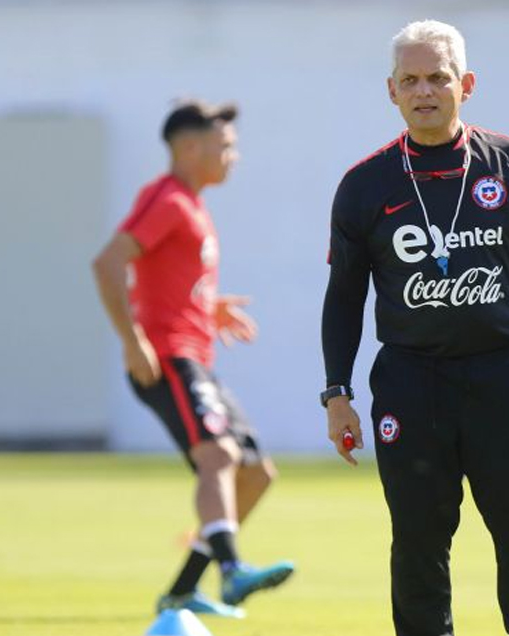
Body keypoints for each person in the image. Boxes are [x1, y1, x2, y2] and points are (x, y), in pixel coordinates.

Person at [321, 20, 509, 636]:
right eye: (410, 80)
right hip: (411, 381)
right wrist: (337, 393)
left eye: (438, 77)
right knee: (418, 540)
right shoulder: (364, 185)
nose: (424, 91)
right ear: (391, 90)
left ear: (467, 84)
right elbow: (344, 295)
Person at [92, 100, 293, 618]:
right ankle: (231, 569)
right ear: (188, 147)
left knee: (255, 472)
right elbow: (108, 262)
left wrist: (208, 307)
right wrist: (132, 339)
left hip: (195, 356)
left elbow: (165, 278)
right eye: (224, 146)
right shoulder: (168, 200)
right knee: (218, 457)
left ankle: (182, 591)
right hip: (168, 358)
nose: (233, 156)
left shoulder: (192, 204)